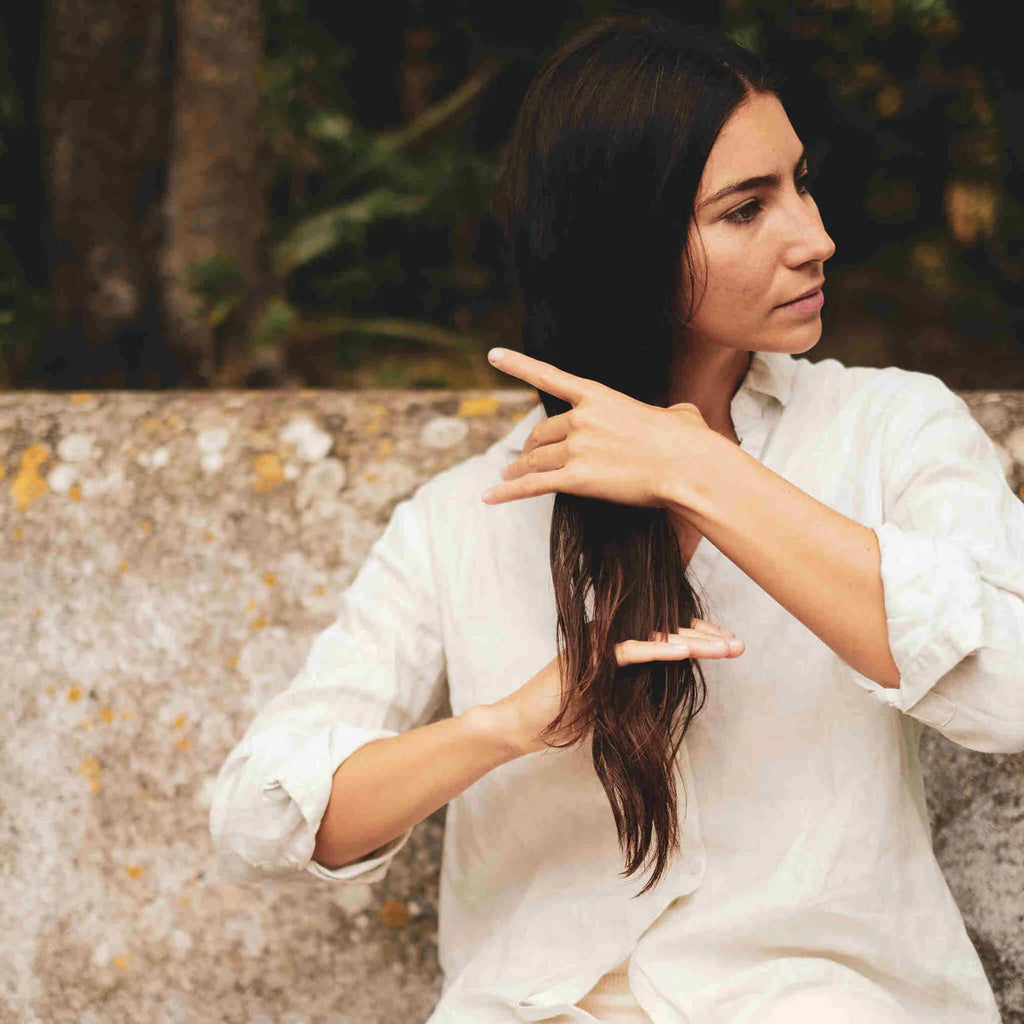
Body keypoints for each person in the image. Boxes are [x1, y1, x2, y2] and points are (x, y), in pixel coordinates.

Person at [209, 13, 1024, 1024]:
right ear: (623, 241)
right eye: (744, 209)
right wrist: (510, 724)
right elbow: (256, 820)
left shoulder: (889, 428)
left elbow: (1011, 686)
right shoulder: (463, 518)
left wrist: (700, 472)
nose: (814, 238)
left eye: (800, 183)